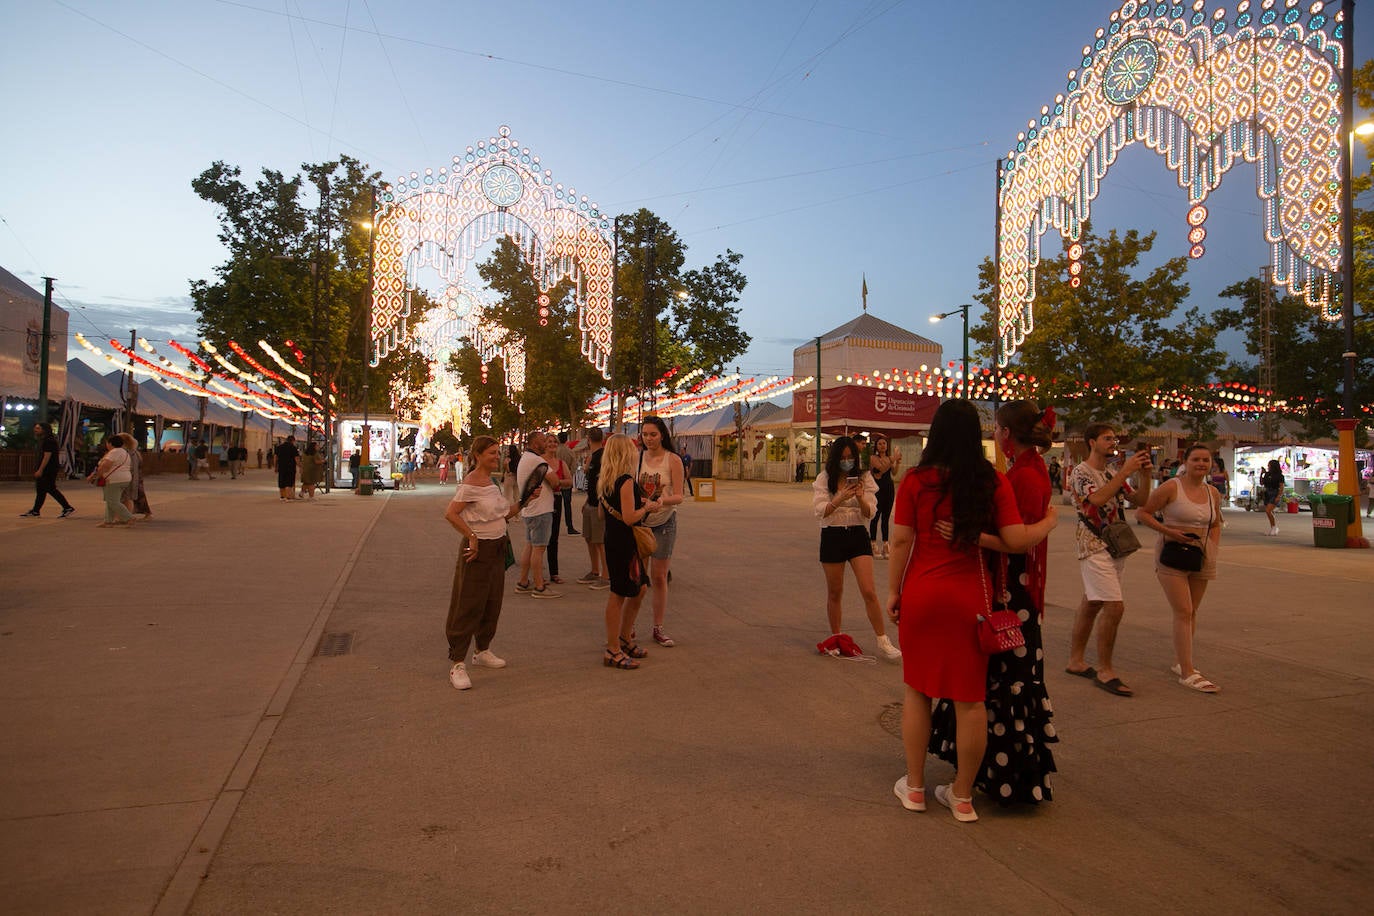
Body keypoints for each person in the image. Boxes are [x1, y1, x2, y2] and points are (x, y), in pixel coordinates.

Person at [886, 399, 1056, 823]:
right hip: (969, 600)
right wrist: (1050, 522)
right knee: (970, 701)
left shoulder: (915, 480)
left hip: (923, 594)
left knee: (917, 692)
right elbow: (1017, 540)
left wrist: (894, 591)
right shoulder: (993, 481)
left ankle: (915, 787)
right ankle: (962, 797)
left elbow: (901, 541)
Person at [1064, 424, 1153, 697]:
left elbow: (1139, 500)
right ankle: (1105, 670)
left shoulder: (1111, 472)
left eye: (1114, 438)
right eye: (1107, 438)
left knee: (1092, 602)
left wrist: (1145, 476)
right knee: (1114, 606)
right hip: (1093, 544)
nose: (1112, 442)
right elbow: (1097, 499)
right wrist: (1126, 471)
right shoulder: (1081, 472)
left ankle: (1076, 661)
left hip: (1113, 544)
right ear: (1092, 442)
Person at [1137, 443, 1223, 693]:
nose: (1201, 464)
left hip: (1200, 556)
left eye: (1206, 460)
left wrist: (1213, 549)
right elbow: (1143, 513)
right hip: (1172, 555)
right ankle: (1187, 671)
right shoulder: (1171, 487)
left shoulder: (1212, 493)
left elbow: (1215, 523)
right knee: (1183, 610)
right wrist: (1169, 532)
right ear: (1185, 461)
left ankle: (1181, 661)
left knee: (1192, 611)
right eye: (1196, 459)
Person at [443, 436, 523, 691]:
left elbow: (502, 513)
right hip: (477, 552)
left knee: (492, 601)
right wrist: (472, 536)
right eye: (491, 453)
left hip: (497, 547)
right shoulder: (470, 484)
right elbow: (451, 514)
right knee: (468, 604)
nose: (496, 456)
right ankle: (457, 662)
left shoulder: (491, 483)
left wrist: (525, 501)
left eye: (497, 452)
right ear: (477, 455)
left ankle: (482, 650)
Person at [813, 436, 901, 660]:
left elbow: (870, 512)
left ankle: (883, 640)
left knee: (869, 591)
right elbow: (819, 510)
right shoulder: (825, 478)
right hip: (832, 535)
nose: (846, 461)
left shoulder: (865, 477)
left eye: (850, 457)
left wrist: (861, 497)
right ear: (835, 458)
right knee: (835, 591)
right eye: (842, 458)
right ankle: (837, 637)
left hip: (857, 535)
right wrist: (839, 498)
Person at [599, 433, 664, 669]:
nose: (637, 450)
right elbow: (629, 518)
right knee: (618, 594)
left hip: (615, 539)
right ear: (625, 452)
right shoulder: (625, 480)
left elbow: (602, 513)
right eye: (633, 447)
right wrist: (647, 508)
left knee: (640, 588)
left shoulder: (606, 479)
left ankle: (624, 638)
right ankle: (612, 648)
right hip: (624, 543)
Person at [636, 416, 685, 647]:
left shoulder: (673, 460)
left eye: (653, 434)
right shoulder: (637, 459)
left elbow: (679, 496)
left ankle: (658, 627)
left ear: (662, 435)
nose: (649, 439)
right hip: (639, 523)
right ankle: (630, 625)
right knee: (637, 576)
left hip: (664, 522)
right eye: (645, 434)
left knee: (658, 576)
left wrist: (661, 502)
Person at [514, 432, 561, 598]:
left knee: (530, 546)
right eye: (543, 441)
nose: (546, 444)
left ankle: (523, 581)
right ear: (535, 444)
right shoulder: (538, 461)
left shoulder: (525, 458)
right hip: (540, 510)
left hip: (529, 510)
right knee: (539, 549)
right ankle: (539, 586)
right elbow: (554, 481)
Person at [577, 427, 610, 589]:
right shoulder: (595, 457)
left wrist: (601, 504)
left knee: (599, 541)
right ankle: (595, 571)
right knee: (590, 538)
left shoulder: (601, 457)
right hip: (591, 503)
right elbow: (592, 483)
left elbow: (602, 483)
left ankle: (606, 575)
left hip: (598, 505)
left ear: (588, 439)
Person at [21, 421, 75, 518]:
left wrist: (40, 469)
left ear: (44, 430)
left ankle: (67, 507)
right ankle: (36, 511)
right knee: (42, 490)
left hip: (48, 470)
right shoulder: (46, 440)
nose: (35, 430)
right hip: (48, 469)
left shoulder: (49, 441)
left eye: (38, 429)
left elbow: (47, 456)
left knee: (50, 489)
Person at [88, 434, 136, 528]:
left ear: (110, 443)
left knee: (113, 501)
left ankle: (129, 517)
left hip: (114, 480)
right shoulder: (125, 452)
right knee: (111, 500)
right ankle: (108, 521)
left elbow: (106, 466)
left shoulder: (114, 452)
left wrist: (95, 476)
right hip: (125, 479)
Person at [541, 437, 572, 584]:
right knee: (540, 538)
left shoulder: (561, 463)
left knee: (554, 537)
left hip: (556, 499)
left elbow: (570, 481)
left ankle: (554, 573)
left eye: (555, 442)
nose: (552, 444)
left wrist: (556, 481)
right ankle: (538, 573)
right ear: (544, 445)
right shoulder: (539, 461)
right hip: (541, 501)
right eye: (549, 441)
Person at [867, 435, 901, 558]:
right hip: (877, 489)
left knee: (886, 517)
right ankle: (873, 543)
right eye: (880, 443)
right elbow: (881, 468)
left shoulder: (889, 458)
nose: (883, 445)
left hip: (889, 489)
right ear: (876, 446)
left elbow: (894, 472)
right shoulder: (872, 458)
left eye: (885, 444)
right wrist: (893, 458)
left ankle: (886, 544)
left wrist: (897, 462)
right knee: (875, 517)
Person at [118, 433, 152, 519]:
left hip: (131, 477)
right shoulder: (135, 452)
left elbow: (132, 467)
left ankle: (127, 516)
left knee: (128, 497)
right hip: (136, 477)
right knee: (136, 496)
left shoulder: (128, 452)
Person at [557, 431, 579, 534]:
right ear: (566, 439)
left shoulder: (555, 451)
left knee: (555, 505)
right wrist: (569, 476)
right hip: (566, 482)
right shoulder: (570, 452)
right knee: (567, 505)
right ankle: (569, 526)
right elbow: (574, 466)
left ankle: (554, 526)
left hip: (555, 482)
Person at [1260, 459, 1284, 535]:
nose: (1268, 466)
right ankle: (1274, 527)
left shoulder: (1280, 476)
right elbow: (1261, 483)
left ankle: (1274, 527)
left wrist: (1279, 496)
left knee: (1268, 510)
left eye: (1269, 465)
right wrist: (1262, 474)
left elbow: (1281, 486)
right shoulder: (1267, 474)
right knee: (1269, 511)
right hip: (1267, 493)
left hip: (1275, 493)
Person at [275, 436, 300, 500]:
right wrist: (300, 466)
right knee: (289, 482)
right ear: (293, 441)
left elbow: (275, 457)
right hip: (290, 467)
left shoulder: (279, 447)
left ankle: (282, 496)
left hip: (281, 467)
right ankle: (289, 497)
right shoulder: (293, 448)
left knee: (282, 482)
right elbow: (296, 458)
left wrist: (275, 466)